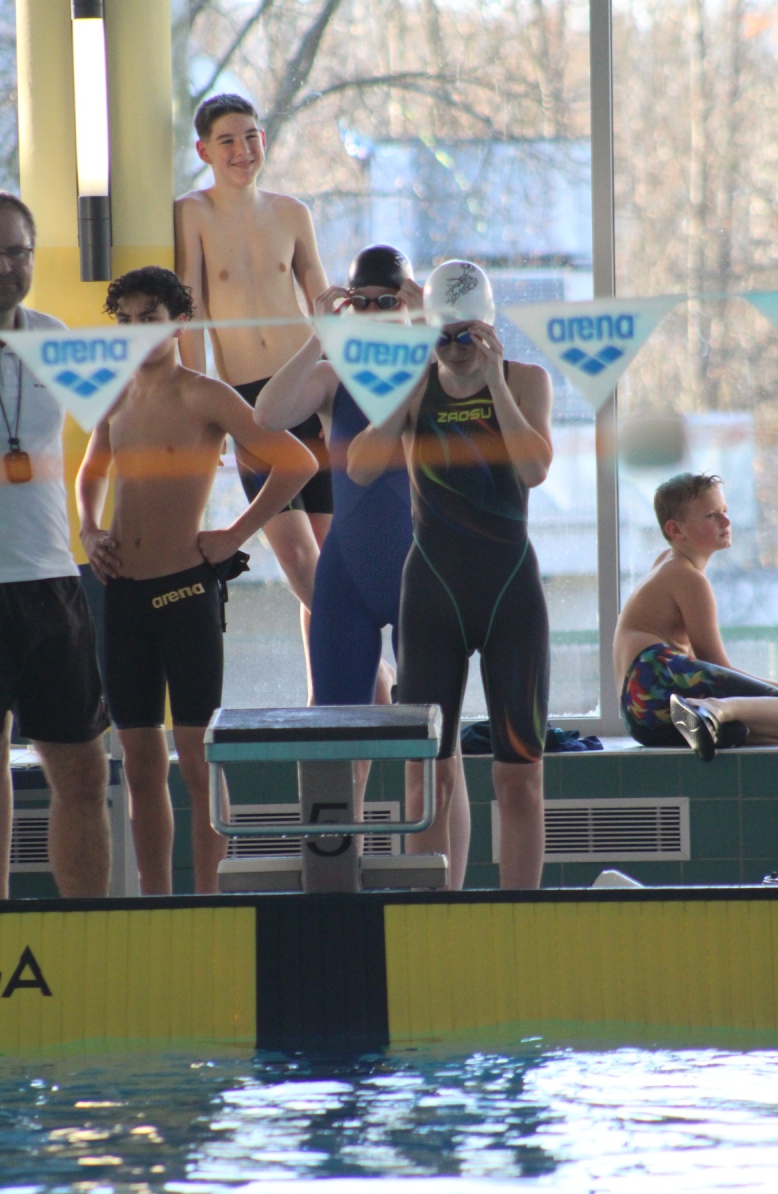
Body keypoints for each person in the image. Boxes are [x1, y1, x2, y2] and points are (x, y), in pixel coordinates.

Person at [77, 266, 317, 894]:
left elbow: (296, 461)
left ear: (179, 323)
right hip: (122, 595)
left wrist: (235, 534)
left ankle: (210, 900)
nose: (136, 332)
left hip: (184, 590)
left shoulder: (205, 395)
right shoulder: (115, 394)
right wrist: (89, 530)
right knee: (138, 764)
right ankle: (157, 902)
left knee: (198, 760)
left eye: (149, 319)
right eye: (125, 321)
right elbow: (90, 472)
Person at [254, 245, 472, 886]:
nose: (375, 311)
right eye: (363, 302)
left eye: (388, 300)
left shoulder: (439, 370)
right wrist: (317, 337)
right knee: (334, 753)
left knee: (435, 758)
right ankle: (335, 893)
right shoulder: (333, 376)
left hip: (424, 577)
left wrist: (425, 327)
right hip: (345, 581)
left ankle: (441, 901)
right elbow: (267, 416)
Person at [347, 260, 553, 889]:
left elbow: (534, 470)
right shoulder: (415, 385)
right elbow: (360, 467)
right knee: (427, 778)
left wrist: (494, 383)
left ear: (489, 328)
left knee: (519, 779)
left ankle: (519, 925)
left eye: (468, 334)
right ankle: (433, 921)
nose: (457, 348)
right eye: (444, 335)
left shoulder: (525, 380)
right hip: (432, 596)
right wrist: (410, 385)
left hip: (510, 594)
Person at [175, 93, 330, 696]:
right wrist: (202, 407)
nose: (242, 151)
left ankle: (327, 692)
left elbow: (324, 307)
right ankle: (374, 674)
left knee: (327, 562)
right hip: (247, 403)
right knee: (298, 561)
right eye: (228, 141)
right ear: (204, 151)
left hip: (308, 390)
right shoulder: (192, 213)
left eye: (251, 137)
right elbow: (189, 315)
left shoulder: (292, 212)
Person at [0, 192, 110, 900]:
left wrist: (97, 523)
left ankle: (89, 934)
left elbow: (119, 423)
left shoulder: (55, 338)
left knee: (85, 774)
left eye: (17, 251)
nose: (5, 266)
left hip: (50, 582)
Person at [614, 472, 778, 761]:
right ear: (676, 530)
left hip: (641, 712)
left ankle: (717, 720)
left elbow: (704, 668)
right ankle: (714, 709)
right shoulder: (689, 579)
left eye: (725, 511)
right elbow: (715, 663)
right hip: (656, 685)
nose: (726, 521)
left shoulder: (668, 561)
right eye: (712, 516)